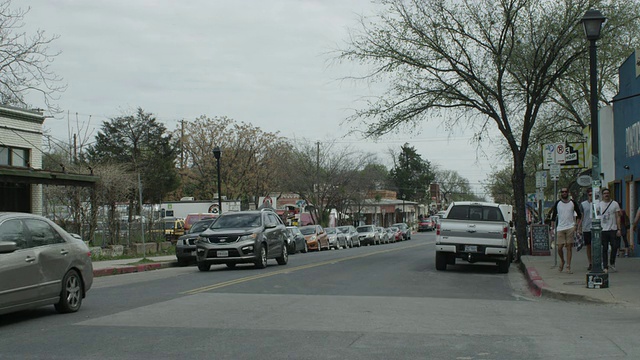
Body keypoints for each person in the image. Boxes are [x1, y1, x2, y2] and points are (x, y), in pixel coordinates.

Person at [549, 187, 583, 274]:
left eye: (566, 192)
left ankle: (568, 266)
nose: (564, 193)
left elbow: (579, 215)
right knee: (559, 247)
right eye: (562, 192)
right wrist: (552, 228)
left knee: (569, 247)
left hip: (570, 227)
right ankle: (562, 261)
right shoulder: (558, 203)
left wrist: (576, 225)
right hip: (560, 227)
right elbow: (553, 217)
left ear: (568, 193)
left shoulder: (572, 203)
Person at [598, 188, 621, 273]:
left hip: (613, 228)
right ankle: (605, 266)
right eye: (604, 193)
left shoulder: (615, 204)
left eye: (607, 193)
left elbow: (618, 216)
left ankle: (612, 262)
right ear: (602, 195)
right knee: (604, 248)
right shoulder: (599, 205)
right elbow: (597, 216)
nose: (606, 195)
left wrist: (619, 229)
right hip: (603, 229)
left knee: (614, 246)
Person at [581, 189, 593, 271]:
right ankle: (590, 263)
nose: (591, 196)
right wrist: (579, 227)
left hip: (597, 227)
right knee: (588, 246)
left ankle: (598, 261)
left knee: (597, 246)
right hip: (586, 227)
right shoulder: (583, 204)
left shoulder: (598, 203)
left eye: (592, 194)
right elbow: (581, 216)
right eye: (589, 195)